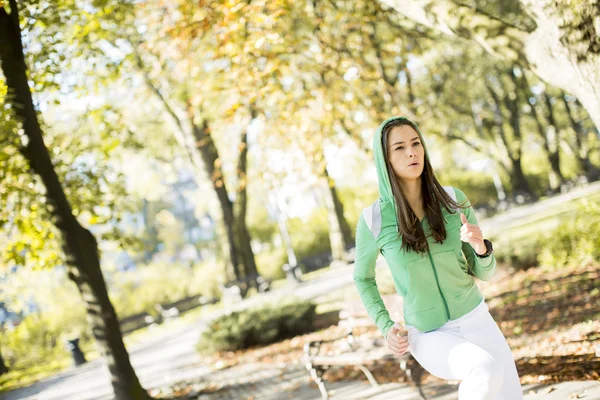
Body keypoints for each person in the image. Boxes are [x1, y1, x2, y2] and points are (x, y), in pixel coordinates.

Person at [353, 116, 523, 399]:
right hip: (428, 333)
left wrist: (482, 248)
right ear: (385, 159)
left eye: (416, 143)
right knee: (482, 370)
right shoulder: (374, 220)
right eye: (400, 147)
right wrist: (386, 326)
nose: (412, 152)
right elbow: (362, 278)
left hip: (476, 317)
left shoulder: (451, 199)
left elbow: (484, 273)